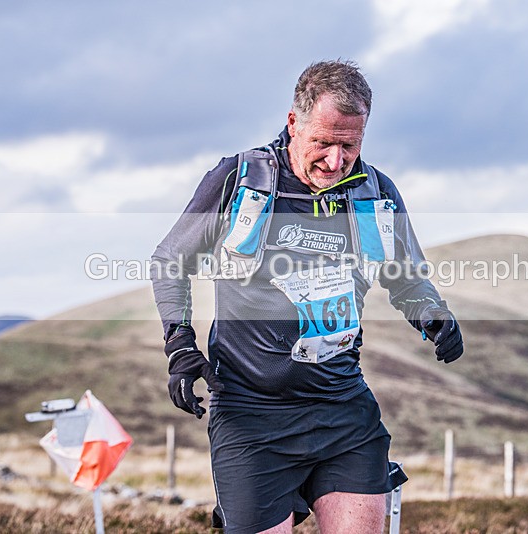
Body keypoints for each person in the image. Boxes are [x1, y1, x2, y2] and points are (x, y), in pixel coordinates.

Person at [151, 60, 463, 534]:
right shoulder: (242, 181)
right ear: (294, 122)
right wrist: (179, 344)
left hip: (342, 411)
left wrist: (433, 314)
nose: (336, 161)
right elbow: (171, 259)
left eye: (350, 145)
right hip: (251, 416)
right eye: (323, 143)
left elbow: (406, 277)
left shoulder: (375, 194)